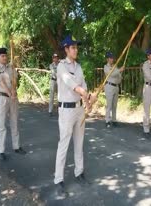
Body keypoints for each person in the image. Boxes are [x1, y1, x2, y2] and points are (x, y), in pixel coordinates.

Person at [54, 35, 97, 197]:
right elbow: (72, 85)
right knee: (63, 145)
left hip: (79, 110)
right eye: (73, 47)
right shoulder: (61, 66)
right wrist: (86, 94)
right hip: (66, 111)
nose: (75, 50)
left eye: (76, 47)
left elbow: (83, 86)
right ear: (66, 49)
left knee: (79, 144)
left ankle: (79, 173)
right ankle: (59, 180)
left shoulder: (79, 67)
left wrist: (89, 101)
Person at [0, 47, 26, 161]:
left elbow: (15, 81)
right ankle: (1, 150)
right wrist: (9, 93)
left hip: (13, 98)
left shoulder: (11, 68)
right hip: (3, 98)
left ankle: (16, 146)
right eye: (2, 56)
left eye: (6, 56)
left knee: (15, 122)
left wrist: (14, 89)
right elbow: (1, 82)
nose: (5, 57)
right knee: (2, 125)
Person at [103, 51, 124, 128]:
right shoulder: (106, 67)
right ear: (107, 59)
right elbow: (111, 74)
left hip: (116, 87)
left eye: (112, 58)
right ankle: (107, 120)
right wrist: (119, 70)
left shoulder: (115, 67)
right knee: (109, 104)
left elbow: (118, 76)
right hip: (109, 86)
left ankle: (114, 120)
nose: (112, 59)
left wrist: (120, 76)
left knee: (115, 104)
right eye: (110, 58)